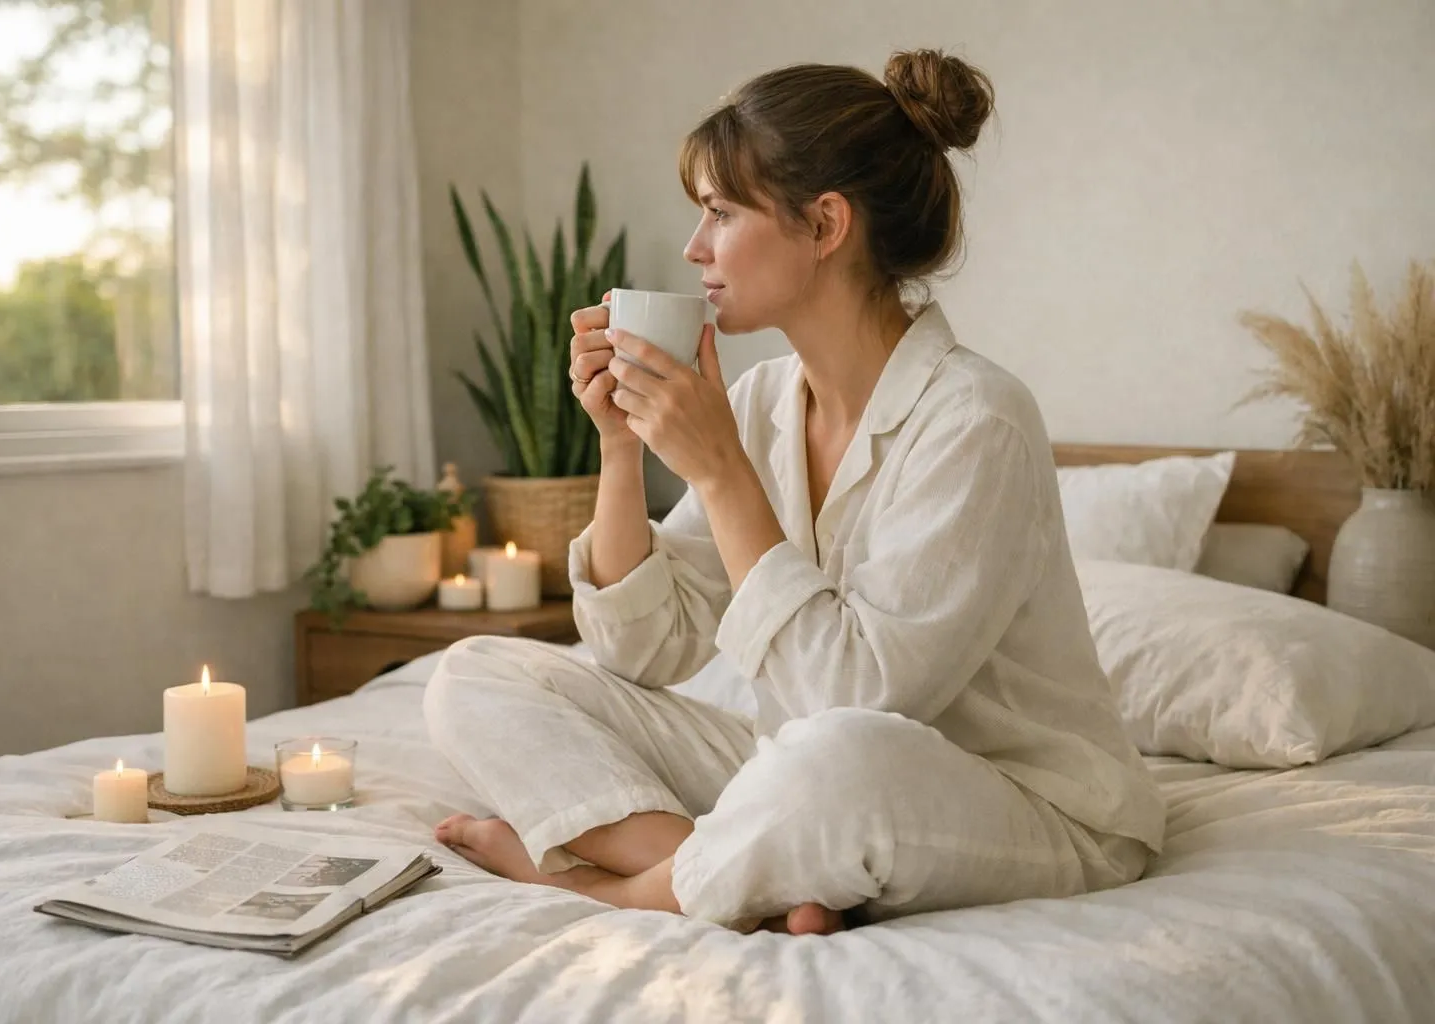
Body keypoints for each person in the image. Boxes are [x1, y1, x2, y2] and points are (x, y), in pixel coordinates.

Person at [425, 47, 1164, 936]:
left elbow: (856, 701)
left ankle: (622, 889)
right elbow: (643, 653)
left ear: (824, 225)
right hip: (803, 766)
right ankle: (738, 862)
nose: (696, 247)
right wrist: (619, 449)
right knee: (474, 674)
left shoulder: (978, 419)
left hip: (1012, 800)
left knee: (834, 759)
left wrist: (721, 471)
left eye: (722, 212)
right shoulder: (765, 400)